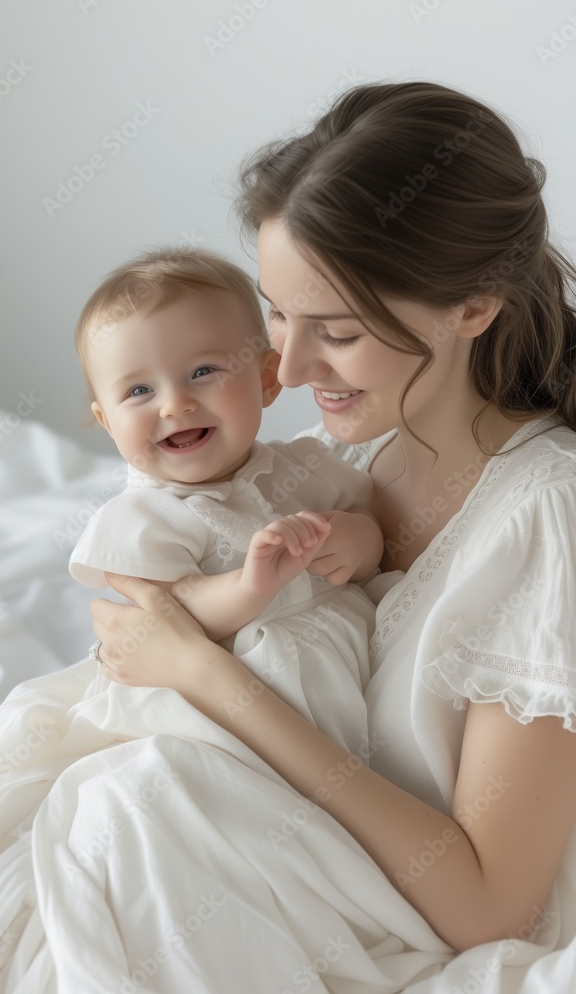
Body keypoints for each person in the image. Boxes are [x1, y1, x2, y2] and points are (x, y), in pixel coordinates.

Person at [0, 80, 576, 994]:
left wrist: (201, 672)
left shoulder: (558, 510)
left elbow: (489, 907)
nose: (290, 370)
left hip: (371, 893)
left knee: (126, 810)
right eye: (276, 314)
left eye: (338, 333)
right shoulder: (337, 453)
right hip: (259, 838)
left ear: (472, 307)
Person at [67, 246, 386, 756]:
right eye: (139, 391)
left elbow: (372, 521)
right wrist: (248, 587)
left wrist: (359, 540)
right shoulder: (143, 517)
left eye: (202, 372)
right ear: (106, 421)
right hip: (215, 712)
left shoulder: (305, 464)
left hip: (343, 682)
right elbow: (169, 614)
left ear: (265, 378)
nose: (175, 403)